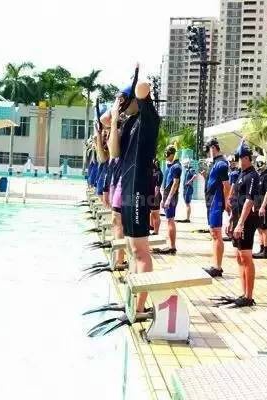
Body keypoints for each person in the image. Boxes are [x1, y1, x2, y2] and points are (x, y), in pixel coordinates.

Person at [107, 66, 160, 315]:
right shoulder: (129, 124)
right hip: (128, 188)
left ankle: (140, 306)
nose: (119, 104)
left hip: (139, 190)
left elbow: (143, 87)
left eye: (122, 100)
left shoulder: (148, 117)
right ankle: (132, 300)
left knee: (140, 251)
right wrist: (114, 119)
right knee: (131, 248)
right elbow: (113, 151)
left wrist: (135, 85)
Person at [226, 140, 260, 307]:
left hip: (247, 220)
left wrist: (240, 224)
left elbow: (249, 201)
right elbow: (235, 200)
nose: (238, 161)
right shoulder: (241, 174)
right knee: (239, 256)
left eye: (239, 158)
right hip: (237, 218)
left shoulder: (253, 175)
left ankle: (249, 296)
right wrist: (231, 220)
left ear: (246, 158)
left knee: (246, 256)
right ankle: (243, 292)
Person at [202, 138, 231, 278]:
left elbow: (227, 186)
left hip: (216, 201)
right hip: (210, 201)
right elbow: (213, 182)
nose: (208, 154)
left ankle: (218, 267)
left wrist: (225, 203)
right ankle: (215, 265)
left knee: (216, 233)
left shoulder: (221, 164)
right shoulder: (215, 163)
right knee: (213, 233)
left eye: (208, 150)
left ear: (213, 148)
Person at [154, 145, 181, 255]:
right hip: (166, 195)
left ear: (173, 155)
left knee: (170, 220)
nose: (166, 157)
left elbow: (175, 183)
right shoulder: (170, 166)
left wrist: (168, 199)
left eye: (168, 155)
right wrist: (163, 199)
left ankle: (172, 246)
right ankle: (171, 245)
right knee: (169, 220)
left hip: (171, 196)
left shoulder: (176, 167)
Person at [253, 154, 267, 259]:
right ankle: (261, 249)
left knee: (264, 228)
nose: (258, 165)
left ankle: (266, 251)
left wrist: (263, 207)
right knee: (259, 228)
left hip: (263, 206)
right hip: (257, 204)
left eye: (259, 163)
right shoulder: (258, 175)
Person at [180, 159, 197, 223]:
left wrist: (189, 181)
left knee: (187, 203)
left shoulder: (191, 170)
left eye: (185, 164)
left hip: (188, 188)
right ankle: (187, 217)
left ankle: (188, 218)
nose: (184, 165)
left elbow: (195, 175)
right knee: (187, 203)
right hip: (186, 188)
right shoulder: (187, 170)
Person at [150, 159, 163, 235]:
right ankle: (151, 227)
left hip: (156, 196)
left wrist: (154, 197)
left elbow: (157, 186)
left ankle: (156, 231)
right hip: (150, 195)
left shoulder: (159, 173)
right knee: (151, 213)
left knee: (155, 213)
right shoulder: (151, 171)